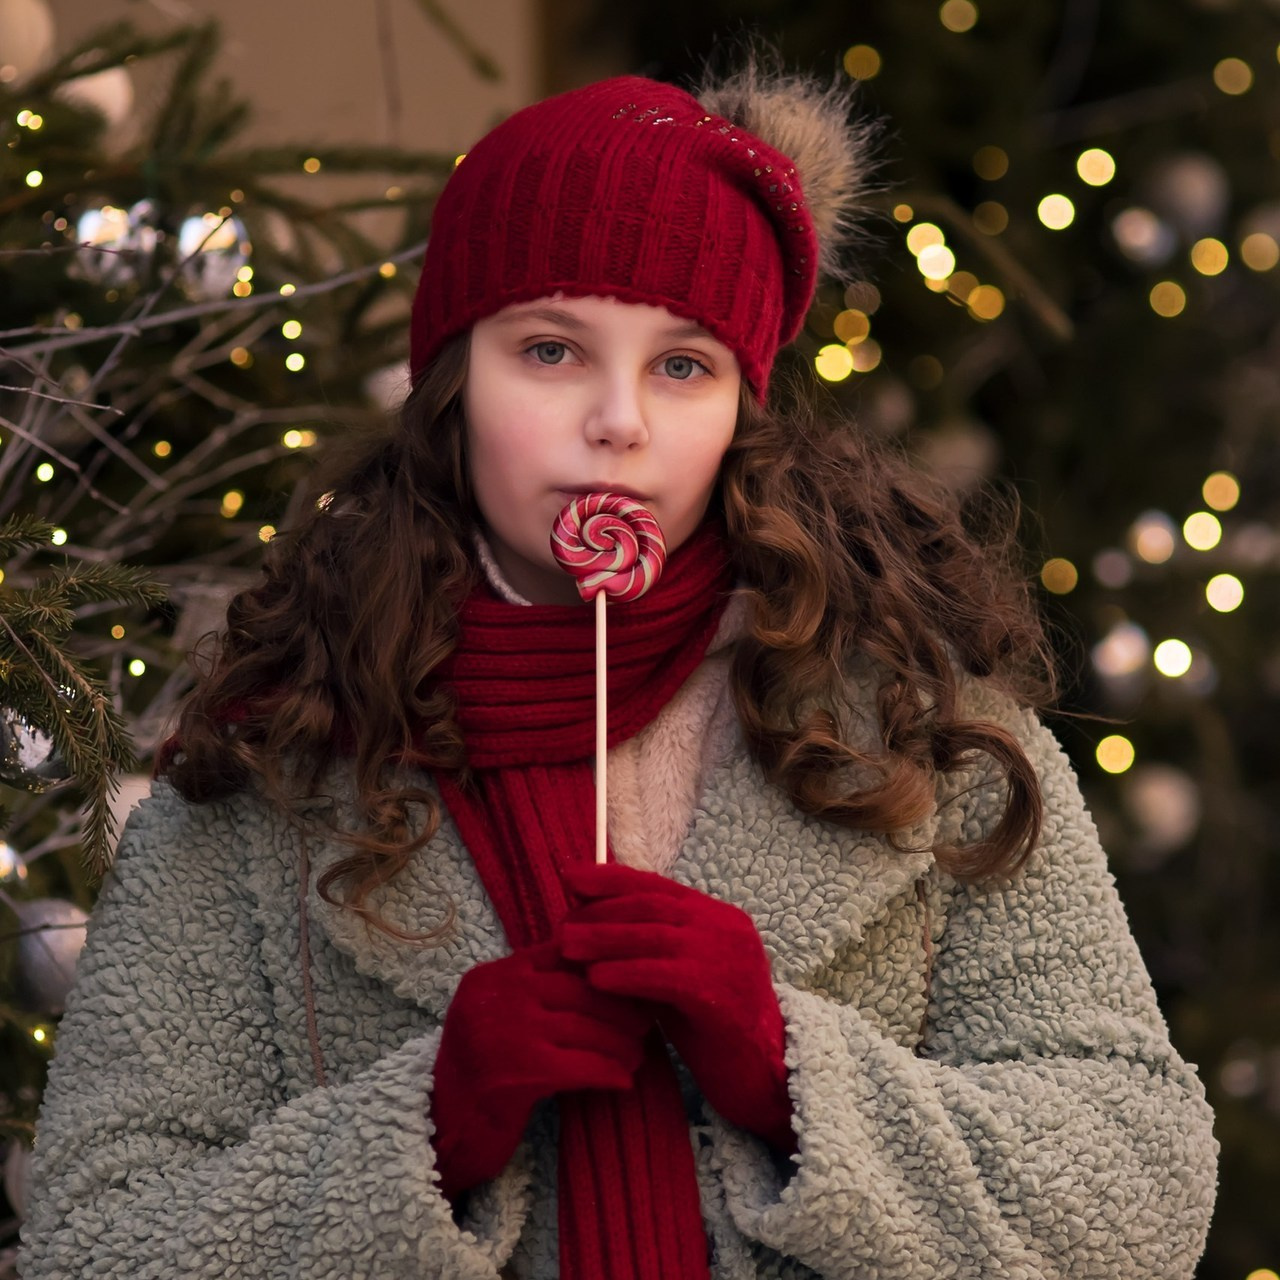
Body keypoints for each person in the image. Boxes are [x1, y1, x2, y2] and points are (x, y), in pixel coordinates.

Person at [20, 57, 1216, 1280]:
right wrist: (425, 1126)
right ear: (452, 385)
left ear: (741, 408)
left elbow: (1141, 1185)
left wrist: (792, 1076)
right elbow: (95, 1244)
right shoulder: (270, 767)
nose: (620, 420)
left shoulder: (917, 729)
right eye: (550, 350)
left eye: (681, 365)